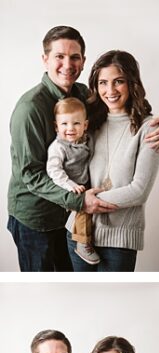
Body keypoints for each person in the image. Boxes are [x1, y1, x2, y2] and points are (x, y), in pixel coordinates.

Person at [7, 26, 159, 272]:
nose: (67, 64)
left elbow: (125, 116)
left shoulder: (85, 97)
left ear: (83, 61)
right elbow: (30, 174)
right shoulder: (30, 109)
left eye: (74, 57)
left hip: (74, 219)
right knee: (47, 287)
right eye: (59, 57)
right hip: (37, 219)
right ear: (45, 60)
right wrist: (80, 201)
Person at [65, 50, 159, 272]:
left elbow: (139, 190)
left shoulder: (150, 128)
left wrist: (88, 202)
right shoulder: (89, 123)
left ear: (132, 83)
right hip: (77, 233)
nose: (109, 91)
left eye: (118, 82)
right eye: (103, 83)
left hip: (118, 240)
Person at [46, 97, 102, 265]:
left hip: (85, 182)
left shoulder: (87, 139)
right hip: (67, 188)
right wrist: (70, 185)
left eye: (76, 123)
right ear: (56, 126)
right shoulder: (58, 147)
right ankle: (82, 243)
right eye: (64, 124)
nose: (70, 128)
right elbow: (54, 170)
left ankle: (91, 237)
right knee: (83, 209)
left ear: (85, 125)